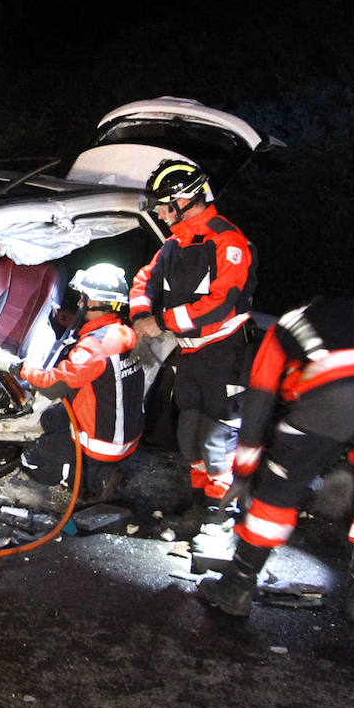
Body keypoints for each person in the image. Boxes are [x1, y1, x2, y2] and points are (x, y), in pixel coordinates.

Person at [198, 298, 354, 621]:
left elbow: (259, 401)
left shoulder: (285, 326)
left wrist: (244, 473)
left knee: (278, 493)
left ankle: (236, 587)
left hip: (334, 387)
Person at [129, 159, 256, 516]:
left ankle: (221, 514)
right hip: (190, 354)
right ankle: (201, 504)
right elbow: (143, 281)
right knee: (188, 436)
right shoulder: (173, 244)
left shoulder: (226, 240)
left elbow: (221, 304)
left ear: (184, 200)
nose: (162, 213)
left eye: (164, 206)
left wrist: (162, 321)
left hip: (226, 352)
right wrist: (141, 315)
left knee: (218, 437)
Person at [0, 263, 145, 508]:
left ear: (98, 303)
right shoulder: (124, 333)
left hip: (102, 444)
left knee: (33, 460)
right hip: (124, 432)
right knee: (51, 419)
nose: (79, 304)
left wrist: (12, 365)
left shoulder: (95, 347)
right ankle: (98, 468)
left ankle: (92, 480)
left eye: (84, 299)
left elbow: (52, 386)